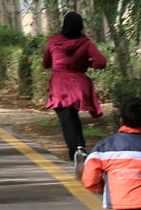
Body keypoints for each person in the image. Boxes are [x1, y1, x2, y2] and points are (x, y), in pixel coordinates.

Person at [42, 11, 107, 168]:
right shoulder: (85, 43)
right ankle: (80, 148)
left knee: (67, 120)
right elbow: (101, 62)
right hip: (78, 85)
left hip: (60, 85)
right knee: (73, 117)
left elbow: (45, 63)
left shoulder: (54, 42)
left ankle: (76, 151)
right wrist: (85, 64)